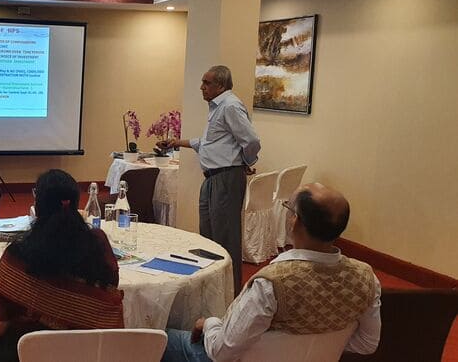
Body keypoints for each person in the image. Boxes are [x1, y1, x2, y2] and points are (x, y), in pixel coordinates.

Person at [161, 183, 381, 362]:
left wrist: (209, 323)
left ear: (295, 221)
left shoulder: (272, 284)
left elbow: (221, 352)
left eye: (288, 208)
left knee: (163, 337)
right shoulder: (366, 279)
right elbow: (367, 344)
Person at [0, 169, 124, 362]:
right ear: (76, 204)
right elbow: (112, 285)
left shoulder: (18, 254)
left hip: (27, 353)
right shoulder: (99, 242)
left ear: (37, 206)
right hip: (90, 353)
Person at [158, 65, 261, 289]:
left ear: (220, 86)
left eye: (207, 83)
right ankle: (212, 289)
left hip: (226, 178)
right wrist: (178, 142)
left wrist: (246, 162)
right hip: (212, 179)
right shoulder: (217, 107)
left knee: (225, 238)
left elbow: (252, 140)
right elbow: (210, 143)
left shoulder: (230, 106)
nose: (201, 87)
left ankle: (230, 292)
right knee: (209, 237)